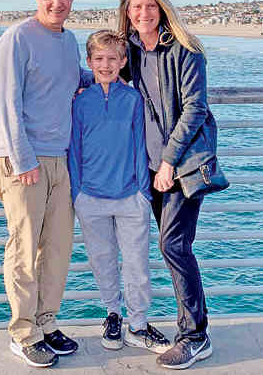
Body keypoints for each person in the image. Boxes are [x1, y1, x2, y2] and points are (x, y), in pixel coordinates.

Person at [0, 0, 93, 368]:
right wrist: (23, 159)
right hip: (22, 161)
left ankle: (47, 322)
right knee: (23, 246)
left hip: (60, 158)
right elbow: (5, 104)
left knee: (58, 247)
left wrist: (109, 75)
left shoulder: (69, 41)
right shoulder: (16, 38)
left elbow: (73, 78)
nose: (57, 2)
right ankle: (23, 332)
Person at [118, 0, 216, 369]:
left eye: (150, 5)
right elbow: (108, 72)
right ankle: (192, 329)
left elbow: (195, 109)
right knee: (172, 246)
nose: (143, 13)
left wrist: (168, 162)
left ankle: (195, 336)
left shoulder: (186, 50)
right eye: (136, 6)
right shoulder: (130, 50)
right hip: (150, 167)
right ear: (127, 11)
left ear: (161, 7)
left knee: (174, 245)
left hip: (180, 166)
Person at [68, 30, 171, 354]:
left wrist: (143, 192)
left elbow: (141, 146)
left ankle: (138, 324)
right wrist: (77, 193)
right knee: (102, 260)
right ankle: (113, 313)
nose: (106, 64)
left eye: (113, 59)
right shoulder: (80, 101)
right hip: (90, 198)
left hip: (130, 197)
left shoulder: (133, 99)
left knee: (137, 264)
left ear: (124, 61)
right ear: (89, 62)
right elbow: (74, 150)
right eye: (99, 59)